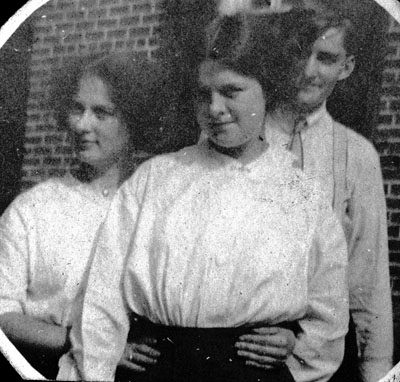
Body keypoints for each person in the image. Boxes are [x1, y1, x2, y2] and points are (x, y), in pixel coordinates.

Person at [58, 10, 349, 382]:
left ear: (270, 90)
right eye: (202, 94)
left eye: (231, 92)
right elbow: (101, 291)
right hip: (160, 369)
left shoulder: (300, 193)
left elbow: (329, 306)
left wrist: (296, 347)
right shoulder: (158, 178)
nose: (214, 109)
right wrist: (102, 360)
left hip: (252, 373)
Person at [0, 52, 163, 379]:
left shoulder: (155, 207)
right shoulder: (33, 208)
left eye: (101, 112)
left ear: (133, 120)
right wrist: (88, 342)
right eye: (77, 109)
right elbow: (2, 311)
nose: (82, 124)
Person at [258, 3, 393, 382]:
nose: (308, 70)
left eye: (326, 58)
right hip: (241, 347)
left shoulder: (357, 155)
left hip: (322, 354)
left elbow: (369, 276)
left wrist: (376, 370)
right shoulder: (240, 133)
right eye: (300, 53)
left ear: (346, 67)